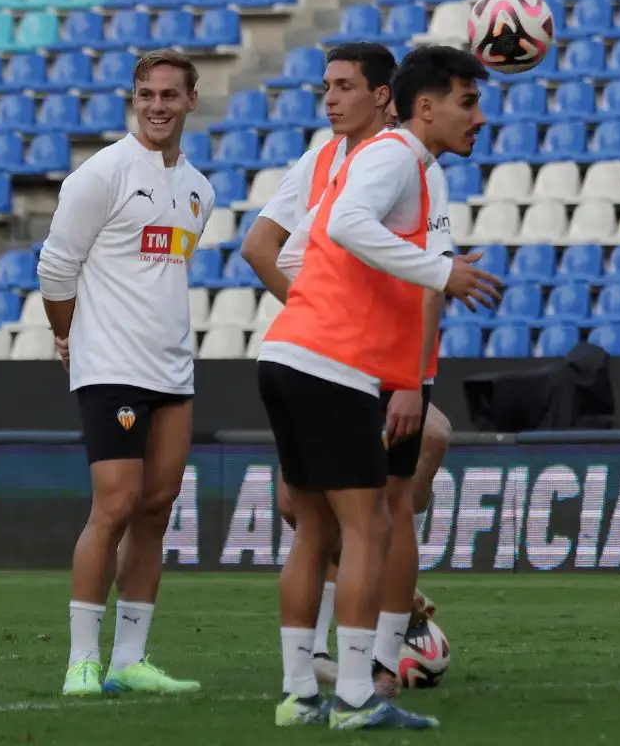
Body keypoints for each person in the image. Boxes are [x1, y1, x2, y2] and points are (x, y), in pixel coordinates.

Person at [258, 45, 497, 731]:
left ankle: (300, 693)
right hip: (331, 365)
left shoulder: (369, 161)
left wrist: (338, 300)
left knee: (313, 531)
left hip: (288, 354)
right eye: (468, 102)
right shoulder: (397, 159)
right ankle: (359, 697)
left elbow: (303, 250)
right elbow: (345, 228)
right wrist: (435, 271)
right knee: (368, 529)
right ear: (425, 107)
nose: (478, 117)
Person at [37, 49, 214, 698]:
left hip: (173, 369)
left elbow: (163, 275)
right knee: (113, 505)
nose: (158, 106)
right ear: (133, 100)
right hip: (110, 364)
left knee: (156, 510)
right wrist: (67, 334)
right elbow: (57, 269)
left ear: (191, 101)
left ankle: (128, 660)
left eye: (170, 95)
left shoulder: (200, 189)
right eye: (147, 95)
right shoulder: (101, 175)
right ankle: (82, 660)